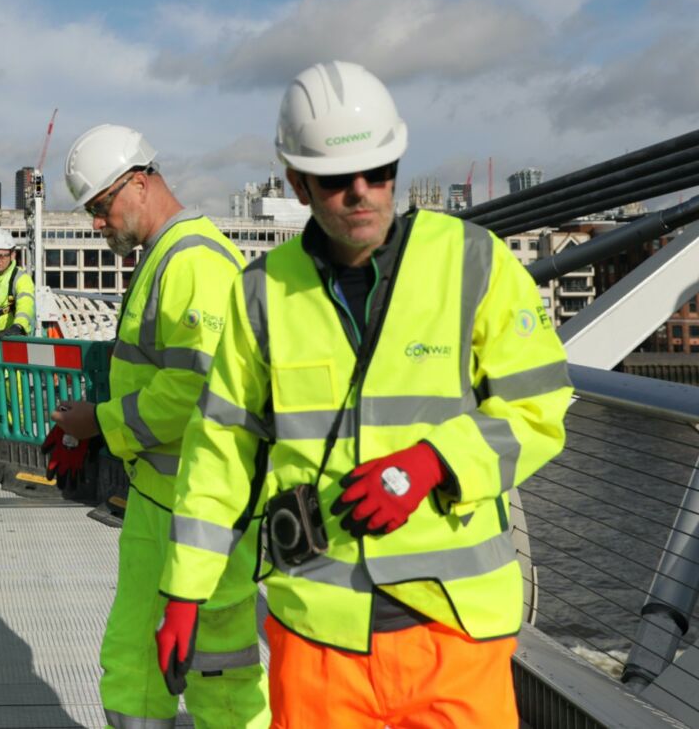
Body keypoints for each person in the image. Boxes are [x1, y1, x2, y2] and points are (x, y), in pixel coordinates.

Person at [155, 61, 571, 728]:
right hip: (320, 634)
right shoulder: (260, 292)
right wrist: (183, 590)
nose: (362, 194)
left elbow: (539, 406)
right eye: (335, 180)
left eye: (379, 173)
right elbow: (222, 450)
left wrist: (435, 463)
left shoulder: (474, 261)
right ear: (296, 183)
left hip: (455, 630)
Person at [47, 124, 265, 729]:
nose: (96, 225)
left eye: (100, 207)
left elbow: (197, 386)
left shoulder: (195, 263)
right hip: (158, 498)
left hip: (204, 508)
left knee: (217, 669)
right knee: (136, 656)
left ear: (138, 184)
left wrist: (100, 423)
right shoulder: (168, 258)